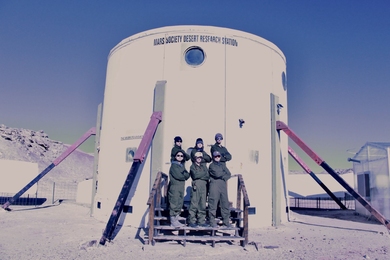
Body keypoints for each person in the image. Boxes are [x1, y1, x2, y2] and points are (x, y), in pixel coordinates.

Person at [208, 150, 232, 228]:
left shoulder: (222, 165)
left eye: (218, 156)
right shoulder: (211, 166)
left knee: (224, 203)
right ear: (213, 157)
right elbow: (216, 174)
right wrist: (223, 174)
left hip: (222, 184)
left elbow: (228, 174)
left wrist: (223, 176)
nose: (217, 158)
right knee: (213, 203)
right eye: (215, 156)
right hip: (214, 185)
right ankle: (212, 222)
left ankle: (226, 222)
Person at [168, 150, 190, 228]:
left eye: (181, 156)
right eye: (178, 155)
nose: (180, 157)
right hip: (175, 187)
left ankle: (177, 217)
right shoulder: (174, 166)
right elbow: (179, 176)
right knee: (174, 202)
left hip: (181, 186)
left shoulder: (181, 165)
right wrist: (184, 175)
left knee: (179, 202)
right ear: (175, 156)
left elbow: (187, 175)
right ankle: (173, 221)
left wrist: (184, 175)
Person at [188, 152, 210, 228]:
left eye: (200, 158)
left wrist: (201, 175)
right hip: (196, 186)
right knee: (194, 203)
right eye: (198, 157)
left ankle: (201, 221)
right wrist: (203, 174)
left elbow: (207, 176)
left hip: (204, 186)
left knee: (202, 204)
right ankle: (192, 221)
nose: (199, 159)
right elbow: (195, 175)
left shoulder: (204, 167)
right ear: (195, 158)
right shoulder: (192, 166)